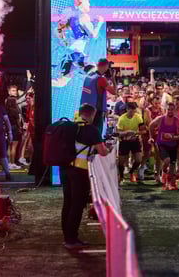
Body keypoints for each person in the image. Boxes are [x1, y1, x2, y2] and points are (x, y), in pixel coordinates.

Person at [62, 103, 108, 249]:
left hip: (65, 169)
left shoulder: (69, 127)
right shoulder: (91, 130)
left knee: (68, 203)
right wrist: (108, 148)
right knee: (77, 205)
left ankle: (67, 236)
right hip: (80, 171)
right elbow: (102, 152)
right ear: (92, 115)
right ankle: (71, 240)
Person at [52, 0, 105, 88]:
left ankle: (39, 80)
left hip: (71, 54)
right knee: (94, 70)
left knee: (61, 83)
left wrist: (64, 41)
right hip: (76, 54)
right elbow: (93, 35)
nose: (89, 4)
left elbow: (58, 30)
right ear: (82, 3)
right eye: (88, 2)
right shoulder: (84, 17)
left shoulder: (73, 16)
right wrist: (100, 22)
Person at [150, 101, 179, 190]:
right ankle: (164, 171)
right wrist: (151, 137)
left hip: (173, 145)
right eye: (169, 109)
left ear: (174, 110)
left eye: (172, 110)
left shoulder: (177, 121)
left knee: (172, 164)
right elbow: (151, 125)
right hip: (162, 144)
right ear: (165, 110)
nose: (170, 111)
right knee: (167, 160)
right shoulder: (160, 119)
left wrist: (175, 137)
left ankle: (169, 182)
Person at [116, 102, 144, 185]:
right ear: (127, 109)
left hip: (135, 140)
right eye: (131, 110)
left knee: (139, 159)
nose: (133, 112)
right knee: (121, 161)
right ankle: (121, 176)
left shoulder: (138, 117)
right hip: (124, 141)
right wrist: (127, 133)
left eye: (134, 110)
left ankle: (132, 172)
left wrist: (135, 134)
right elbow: (119, 133)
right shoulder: (122, 119)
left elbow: (143, 130)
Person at [5, 84, 26, 170]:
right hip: (14, 127)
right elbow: (17, 118)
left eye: (16, 90)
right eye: (13, 90)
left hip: (10, 126)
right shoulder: (12, 100)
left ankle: (10, 163)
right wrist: (20, 127)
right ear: (9, 92)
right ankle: (12, 163)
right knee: (13, 145)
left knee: (11, 146)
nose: (15, 92)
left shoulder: (9, 101)